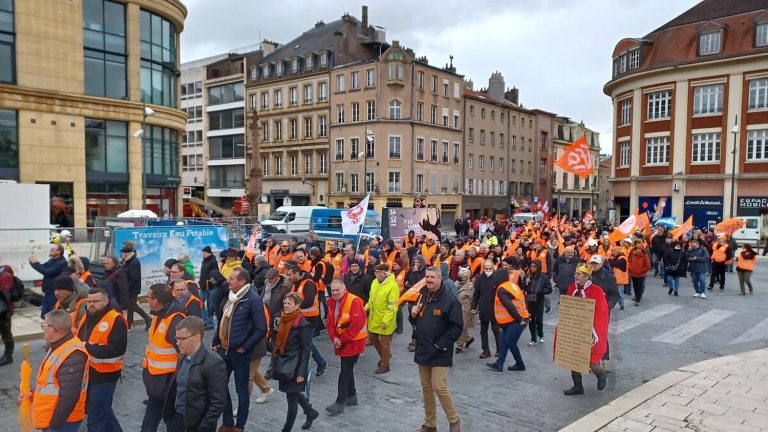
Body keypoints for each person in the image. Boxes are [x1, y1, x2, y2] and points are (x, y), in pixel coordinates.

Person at [212, 266, 267, 432]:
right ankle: (227, 421)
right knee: (220, 386)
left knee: (241, 391)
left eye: (232, 279)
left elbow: (261, 328)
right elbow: (222, 320)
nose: (228, 281)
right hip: (223, 350)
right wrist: (216, 340)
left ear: (242, 281)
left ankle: (239, 425)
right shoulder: (230, 296)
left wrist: (244, 347)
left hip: (240, 353)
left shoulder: (252, 299)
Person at [410, 266, 463, 432]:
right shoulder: (423, 295)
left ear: (440, 279)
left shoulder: (450, 300)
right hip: (423, 349)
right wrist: (413, 315)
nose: (429, 280)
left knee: (438, 386)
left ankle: (454, 420)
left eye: (432, 277)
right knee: (426, 387)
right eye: (427, 277)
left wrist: (440, 344)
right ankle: (430, 423)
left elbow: (456, 327)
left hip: (440, 351)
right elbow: (417, 323)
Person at [21, 310, 88, 432]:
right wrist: (33, 393)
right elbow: (50, 382)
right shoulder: (58, 345)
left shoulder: (72, 355)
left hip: (63, 421)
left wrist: (55, 425)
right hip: (53, 417)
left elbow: (70, 396)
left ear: (52, 330)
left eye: (44, 326)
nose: (43, 329)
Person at [76, 287, 127, 432]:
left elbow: (118, 351)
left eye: (96, 301)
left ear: (106, 300)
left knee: (95, 418)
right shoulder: (86, 316)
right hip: (87, 374)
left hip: (105, 376)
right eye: (89, 301)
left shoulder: (115, 319)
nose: (91, 304)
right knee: (103, 411)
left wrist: (88, 347)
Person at [163, 316, 227, 432]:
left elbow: (218, 402)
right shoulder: (182, 356)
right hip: (176, 420)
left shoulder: (214, 362)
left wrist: (203, 427)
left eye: (182, 338)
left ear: (197, 337)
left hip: (196, 425)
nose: (177, 343)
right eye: (176, 338)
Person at [140, 284, 186, 432]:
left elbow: (184, 353)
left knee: (155, 422)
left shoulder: (175, 319)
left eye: (148, 297)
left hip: (168, 383)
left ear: (155, 301)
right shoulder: (158, 314)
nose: (147, 300)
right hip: (156, 380)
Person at [558, 264, 609, 395]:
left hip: (590, 328)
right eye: (575, 274)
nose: (576, 276)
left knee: (589, 357)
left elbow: (602, 312)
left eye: (579, 274)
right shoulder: (571, 288)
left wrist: (593, 329)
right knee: (574, 357)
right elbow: (567, 307)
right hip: (575, 327)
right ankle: (577, 386)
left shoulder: (596, 290)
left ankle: (601, 373)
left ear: (587, 277)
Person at [274, 292, 319, 431]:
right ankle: (311, 413)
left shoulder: (303, 324)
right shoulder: (284, 318)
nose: (286, 305)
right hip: (284, 362)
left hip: (295, 365)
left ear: (297, 305)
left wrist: (301, 373)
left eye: (289, 303)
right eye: (285, 302)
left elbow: (306, 350)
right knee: (292, 392)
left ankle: (286, 429)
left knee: (291, 398)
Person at [324, 279, 367, 416]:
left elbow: (357, 324)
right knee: (347, 369)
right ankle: (352, 395)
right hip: (342, 341)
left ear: (344, 289)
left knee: (345, 371)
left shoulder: (354, 301)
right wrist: (334, 338)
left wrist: (341, 340)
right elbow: (330, 322)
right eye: (333, 291)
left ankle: (340, 401)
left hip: (353, 342)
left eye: (337, 290)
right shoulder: (332, 302)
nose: (335, 293)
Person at [486, 268, 529, 372]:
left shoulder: (502, 289)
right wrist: (526, 312)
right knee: (503, 341)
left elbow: (509, 306)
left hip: (516, 320)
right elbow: (521, 300)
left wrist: (519, 319)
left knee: (510, 342)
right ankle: (499, 364)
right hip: (513, 320)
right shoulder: (512, 285)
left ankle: (520, 364)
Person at [365, 264, 399, 374]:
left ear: (384, 273)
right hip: (374, 318)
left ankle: (385, 365)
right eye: (375, 272)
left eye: (377, 272)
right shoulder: (375, 282)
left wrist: (386, 321)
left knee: (385, 344)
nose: (375, 274)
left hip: (385, 321)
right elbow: (371, 299)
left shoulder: (393, 286)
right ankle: (386, 355)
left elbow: (392, 307)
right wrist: (366, 307)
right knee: (372, 338)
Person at [471, 259, 502, 359]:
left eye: (490, 268)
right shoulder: (480, 278)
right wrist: (473, 306)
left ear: (493, 267)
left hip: (495, 308)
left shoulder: (497, 278)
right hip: (484, 308)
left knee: (496, 330)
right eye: (486, 268)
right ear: (483, 268)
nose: (488, 270)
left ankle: (499, 349)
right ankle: (486, 350)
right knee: (483, 331)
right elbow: (476, 294)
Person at [29, 244, 68, 318]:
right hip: (48, 293)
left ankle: (53, 329)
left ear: (59, 251)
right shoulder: (52, 260)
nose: (50, 250)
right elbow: (43, 267)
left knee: (52, 316)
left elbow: (47, 271)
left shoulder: (61, 263)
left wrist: (35, 263)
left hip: (54, 294)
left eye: (52, 249)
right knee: (44, 316)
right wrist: (32, 262)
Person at [120, 241, 150, 331]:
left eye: (122, 253)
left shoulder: (134, 262)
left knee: (132, 306)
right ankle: (129, 324)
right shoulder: (128, 261)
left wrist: (126, 288)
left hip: (132, 289)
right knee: (130, 306)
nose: (121, 254)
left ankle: (148, 319)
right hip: (130, 288)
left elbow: (134, 278)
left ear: (127, 253)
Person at [522, 260, 551, 347]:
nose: (532, 268)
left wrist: (541, 291)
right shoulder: (527, 276)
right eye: (531, 266)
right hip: (530, 301)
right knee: (531, 320)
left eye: (534, 267)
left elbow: (549, 289)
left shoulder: (544, 277)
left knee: (538, 320)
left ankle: (540, 334)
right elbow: (522, 287)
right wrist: (525, 282)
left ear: (538, 267)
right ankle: (533, 338)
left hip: (539, 300)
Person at [454, 267, 475, 353]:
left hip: (465, 310)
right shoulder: (456, 283)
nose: (460, 277)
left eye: (462, 276)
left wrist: (474, 309)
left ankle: (459, 345)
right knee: (457, 326)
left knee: (462, 328)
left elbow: (473, 298)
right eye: (459, 275)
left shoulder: (470, 287)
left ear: (467, 277)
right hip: (456, 308)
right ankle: (468, 339)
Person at [198, 245, 219, 330]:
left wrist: (211, 280)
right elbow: (203, 273)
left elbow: (215, 272)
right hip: (203, 285)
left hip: (210, 286)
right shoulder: (204, 261)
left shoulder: (213, 261)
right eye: (202, 253)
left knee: (210, 305)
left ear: (209, 253)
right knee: (199, 302)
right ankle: (205, 320)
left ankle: (210, 323)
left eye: (204, 253)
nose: (203, 254)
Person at [0, 265, 15, 366]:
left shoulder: (5, 274)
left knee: (6, 333)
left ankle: (8, 356)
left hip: (4, 309)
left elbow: (6, 294)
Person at [628, 240, 651, 306]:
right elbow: (629, 261)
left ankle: (637, 299)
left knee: (639, 286)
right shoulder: (633, 254)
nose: (638, 250)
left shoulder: (645, 256)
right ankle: (636, 296)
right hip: (633, 273)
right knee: (635, 286)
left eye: (639, 249)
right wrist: (630, 268)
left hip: (641, 274)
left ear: (642, 249)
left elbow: (647, 265)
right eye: (637, 248)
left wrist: (642, 270)